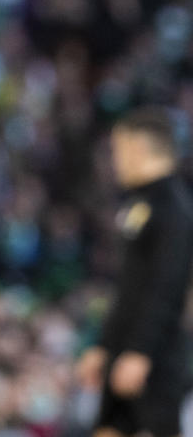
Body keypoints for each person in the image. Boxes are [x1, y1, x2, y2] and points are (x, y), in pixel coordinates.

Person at [76, 107, 193, 437]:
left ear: (139, 148)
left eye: (118, 150)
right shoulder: (138, 204)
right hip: (123, 352)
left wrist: (140, 352)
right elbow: (127, 289)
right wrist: (103, 345)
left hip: (156, 359)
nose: (115, 160)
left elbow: (166, 289)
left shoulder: (174, 210)